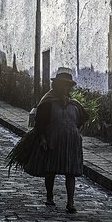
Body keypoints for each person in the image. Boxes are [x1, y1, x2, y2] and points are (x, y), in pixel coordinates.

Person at [24, 68, 88, 213]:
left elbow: (82, 119)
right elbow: (40, 123)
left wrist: (74, 133)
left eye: (68, 85)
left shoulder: (74, 104)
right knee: (50, 170)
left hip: (70, 142)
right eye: (63, 85)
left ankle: (70, 202)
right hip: (52, 140)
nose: (66, 88)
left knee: (71, 172)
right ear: (57, 85)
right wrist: (42, 138)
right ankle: (49, 196)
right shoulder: (48, 102)